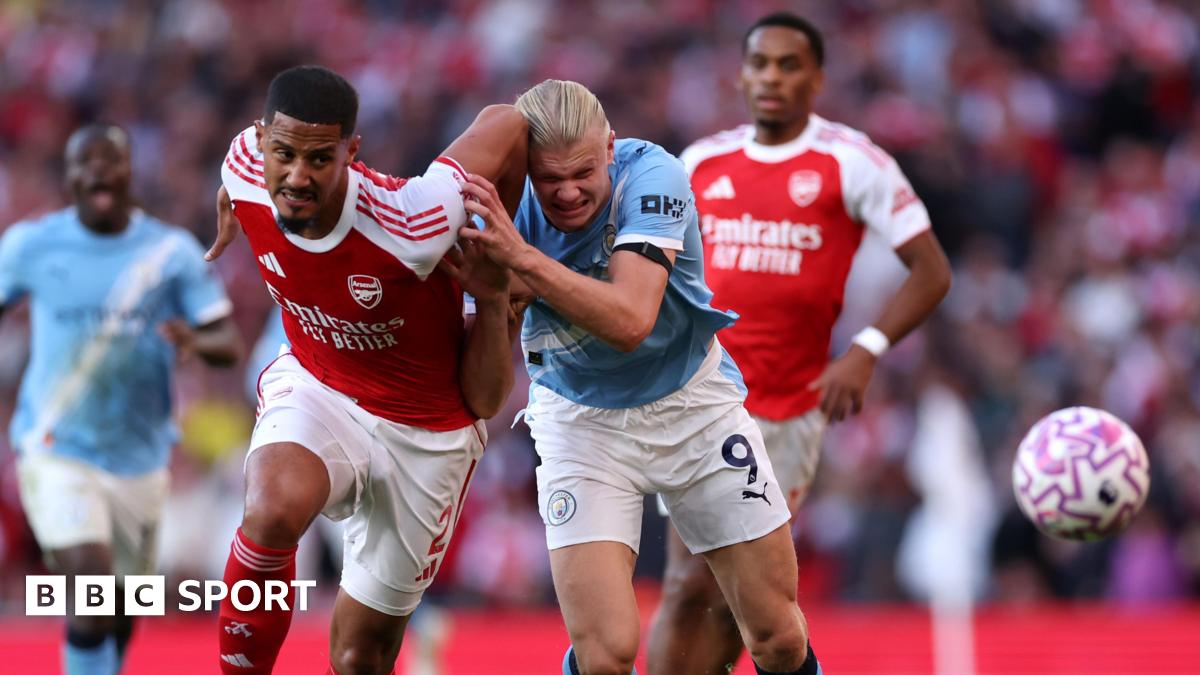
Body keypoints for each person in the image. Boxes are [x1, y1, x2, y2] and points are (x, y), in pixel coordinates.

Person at [458, 79, 820, 675]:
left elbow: (629, 320)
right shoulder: (503, 211)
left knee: (778, 637)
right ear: (525, 170)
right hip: (580, 424)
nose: (568, 192)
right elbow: (484, 397)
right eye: (549, 179)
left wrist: (521, 261)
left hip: (694, 407)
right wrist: (494, 300)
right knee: (606, 657)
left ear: (609, 149)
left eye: (582, 173)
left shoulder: (653, 175)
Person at [646, 12, 953, 674]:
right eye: (761, 63)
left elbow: (932, 270)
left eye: (789, 65)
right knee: (686, 581)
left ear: (817, 78)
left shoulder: (852, 161)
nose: (773, 77)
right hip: (698, 396)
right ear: (741, 74)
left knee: (742, 599)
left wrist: (866, 348)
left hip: (786, 411)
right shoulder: (700, 162)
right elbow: (656, 268)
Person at [207, 65, 527, 675]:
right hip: (318, 386)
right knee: (271, 508)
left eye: (320, 159)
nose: (296, 177)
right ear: (261, 139)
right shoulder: (244, 168)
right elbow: (239, 175)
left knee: (360, 657)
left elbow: (507, 122)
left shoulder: (417, 218)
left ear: (352, 153)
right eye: (284, 154)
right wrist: (226, 205)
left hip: (424, 434)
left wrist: (495, 265)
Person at [0, 124, 242, 675]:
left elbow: (226, 342)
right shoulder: (31, 246)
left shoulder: (170, 253)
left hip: (140, 454)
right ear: (70, 177)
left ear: (131, 170)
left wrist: (192, 338)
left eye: (110, 162)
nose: (98, 173)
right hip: (55, 444)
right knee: (91, 580)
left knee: (121, 608)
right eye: (85, 164)